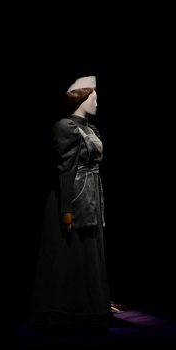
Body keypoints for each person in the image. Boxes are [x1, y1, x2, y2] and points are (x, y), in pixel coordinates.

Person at [29, 75, 112, 334]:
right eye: (94, 98)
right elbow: (65, 171)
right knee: (70, 252)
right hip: (74, 195)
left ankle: (90, 309)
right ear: (82, 98)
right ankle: (64, 311)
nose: (97, 103)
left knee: (89, 253)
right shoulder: (66, 127)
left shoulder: (90, 129)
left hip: (91, 195)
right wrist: (66, 209)